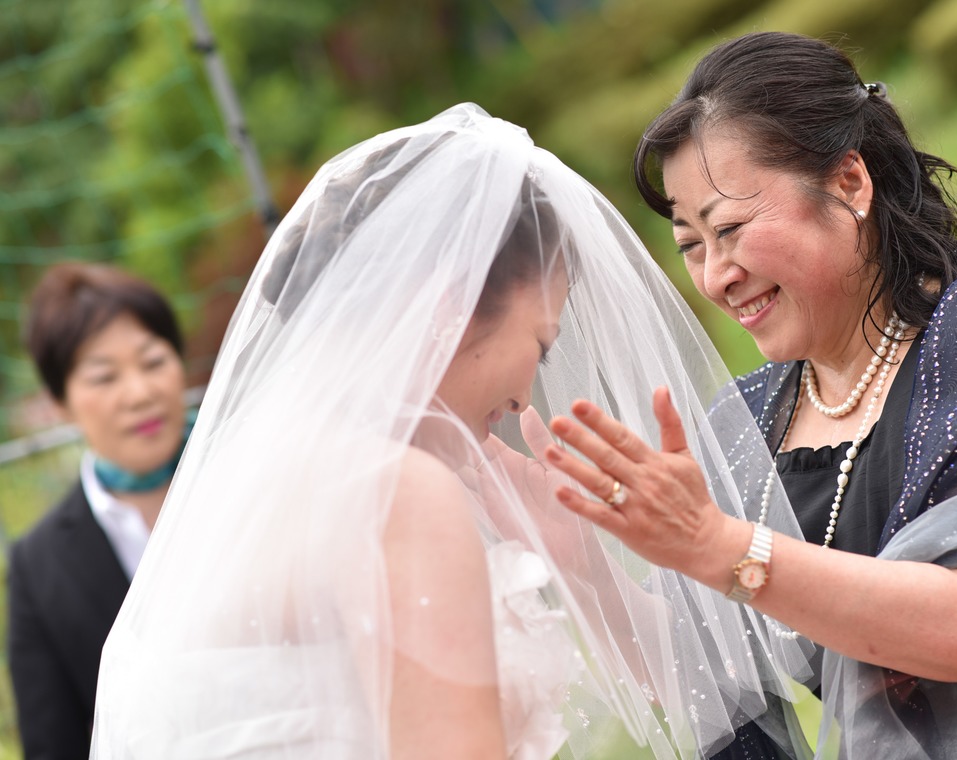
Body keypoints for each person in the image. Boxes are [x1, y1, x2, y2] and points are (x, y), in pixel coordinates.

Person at [89, 104, 813, 759]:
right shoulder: (395, 493)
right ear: (449, 307)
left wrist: (585, 569)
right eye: (540, 340)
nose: (526, 390)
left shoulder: (251, 483)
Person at [537, 32, 957, 760]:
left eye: (730, 228)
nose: (716, 276)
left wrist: (719, 546)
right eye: (691, 244)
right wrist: (572, 552)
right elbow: (709, 674)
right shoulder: (747, 427)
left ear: (850, 183)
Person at [7, 262, 191, 759]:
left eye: (153, 362)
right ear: (60, 403)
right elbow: (53, 743)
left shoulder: (255, 482)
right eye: (104, 376)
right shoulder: (37, 565)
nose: (140, 394)